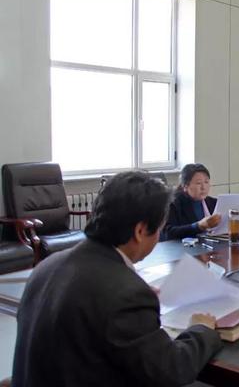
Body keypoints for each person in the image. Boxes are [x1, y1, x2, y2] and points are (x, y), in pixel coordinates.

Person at [12, 172, 223, 387]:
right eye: (159, 229)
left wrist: (134, 298)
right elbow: (171, 370)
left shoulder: (46, 266)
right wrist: (201, 329)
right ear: (140, 231)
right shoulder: (125, 293)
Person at [161, 163, 222, 241]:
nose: (203, 187)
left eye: (206, 182)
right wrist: (198, 226)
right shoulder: (173, 204)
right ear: (185, 186)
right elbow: (168, 233)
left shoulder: (214, 203)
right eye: (198, 183)